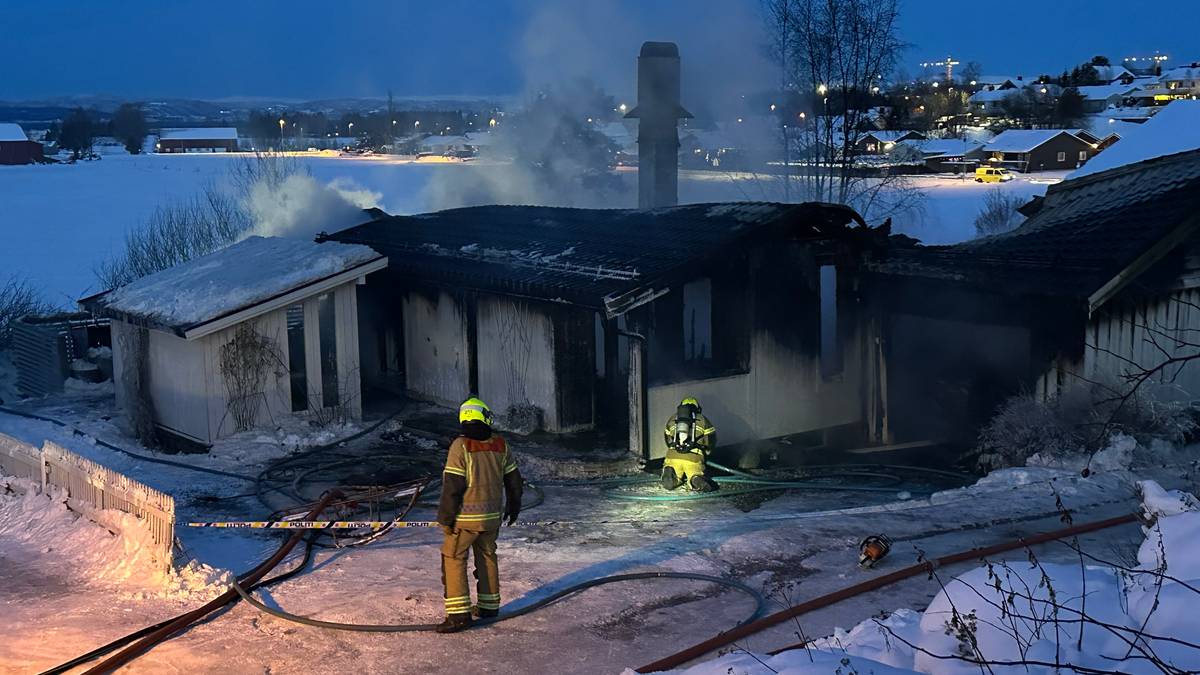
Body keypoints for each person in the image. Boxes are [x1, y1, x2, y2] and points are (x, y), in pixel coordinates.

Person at [435, 397, 523, 633]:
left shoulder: (460, 446)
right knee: (487, 557)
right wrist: (513, 507)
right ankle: (489, 607)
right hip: (491, 518)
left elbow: (452, 486)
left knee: (453, 558)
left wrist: (445, 518)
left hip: (464, 520)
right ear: (485, 416)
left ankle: (458, 616)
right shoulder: (501, 445)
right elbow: (514, 481)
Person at [661, 396, 718, 492]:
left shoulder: (673, 418)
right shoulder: (703, 419)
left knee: (674, 471)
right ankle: (695, 479)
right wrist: (707, 452)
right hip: (693, 458)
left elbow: (668, 440)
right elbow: (711, 439)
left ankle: (671, 473)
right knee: (694, 472)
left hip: (672, 456)